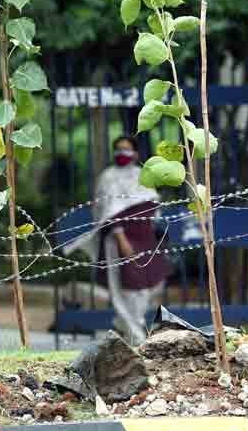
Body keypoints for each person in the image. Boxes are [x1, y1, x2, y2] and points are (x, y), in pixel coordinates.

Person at [64, 135, 170, 345]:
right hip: (120, 240)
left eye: (127, 149)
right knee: (126, 287)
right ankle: (136, 336)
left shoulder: (142, 175)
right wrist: (122, 239)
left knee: (146, 286)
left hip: (144, 238)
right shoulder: (108, 177)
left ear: (136, 153)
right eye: (118, 149)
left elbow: (153, 208)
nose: (122, 154)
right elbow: (107, 212)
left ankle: (124, 327)